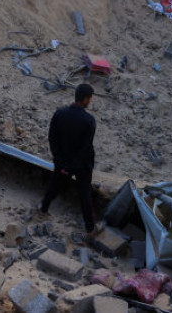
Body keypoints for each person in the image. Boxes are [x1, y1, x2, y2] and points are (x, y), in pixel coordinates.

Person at [40, 84, 99, 237]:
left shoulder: (59, 114)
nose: (90, 101)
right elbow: (86, 148)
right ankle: (90, 229)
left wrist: (61, 163)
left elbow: (53, 139)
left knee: (54, 185)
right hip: (81, 166)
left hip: (62, 161)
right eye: (90, 98)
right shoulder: (89, 120)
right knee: (85, 195)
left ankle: (43, 209)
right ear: (86, 98)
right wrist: (73, 166)